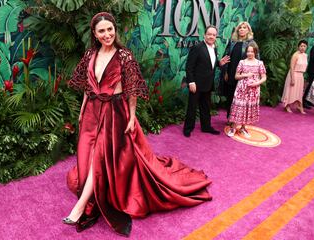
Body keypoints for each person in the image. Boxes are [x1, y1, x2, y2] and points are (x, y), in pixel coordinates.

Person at [63, 12, 212, 236]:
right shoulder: (90, 55)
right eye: (101, 31)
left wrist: (132, 116)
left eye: (110, 29)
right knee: (87, 153)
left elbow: (131, 90)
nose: (107, 34)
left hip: (115, 112)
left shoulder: (124, 56)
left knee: (99, 155)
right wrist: (83, 110)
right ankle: (89, 196)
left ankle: (82, 206)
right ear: (94, 33)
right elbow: (87, 86)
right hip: (92, 112)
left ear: (115, 30)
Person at [183, 25, 230, 137]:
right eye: (209, 34)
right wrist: (191, 82)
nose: (211, 36)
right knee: (192, 107)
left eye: (214, 35)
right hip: (196, 84)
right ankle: (188, 128)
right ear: (204, 35)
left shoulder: (214, 48)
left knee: (205, 107)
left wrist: (219, 63)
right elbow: (189, 66)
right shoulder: (197, 47)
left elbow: (209, 63)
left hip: (208, 84)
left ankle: (206, 127)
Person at [220, 22, 259, 125]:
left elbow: (257, 60)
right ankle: (230, 117)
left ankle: (239, 120)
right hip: (231, 73)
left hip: (244, 76)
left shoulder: (251, 43)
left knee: (240, 98)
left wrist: (253, 77)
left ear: (248, 30)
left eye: (244, 28)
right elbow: (226, 57)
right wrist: (225, 71)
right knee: (230, 96)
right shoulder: (232, 42)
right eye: (240, 28)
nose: (241, 29)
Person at [226, 43, 266, 137]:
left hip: (253, 90)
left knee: (248, 108)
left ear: (255, 52)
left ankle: (243, 128)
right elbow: (236, 76)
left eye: (252, 51)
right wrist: (245, 75)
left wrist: (256, 83)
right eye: (248, 51)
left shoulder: (260, 63)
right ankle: (233, 127)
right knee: (238, 107)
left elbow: (264, 77)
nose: (249, 53)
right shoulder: (242, 62)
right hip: (241, 89)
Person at [281, 40, 308, 114]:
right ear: (298, 47)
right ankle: (287, 105)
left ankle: (299, 106)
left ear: (306, 47)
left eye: (304, 46)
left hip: (301, 76)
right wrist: (292, 78)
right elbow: (292, 67)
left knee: (299, 92)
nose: (303, 48)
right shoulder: (295, 55)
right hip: (294, 74)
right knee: (291, 91)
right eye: (301, 46)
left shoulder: (305, 55)